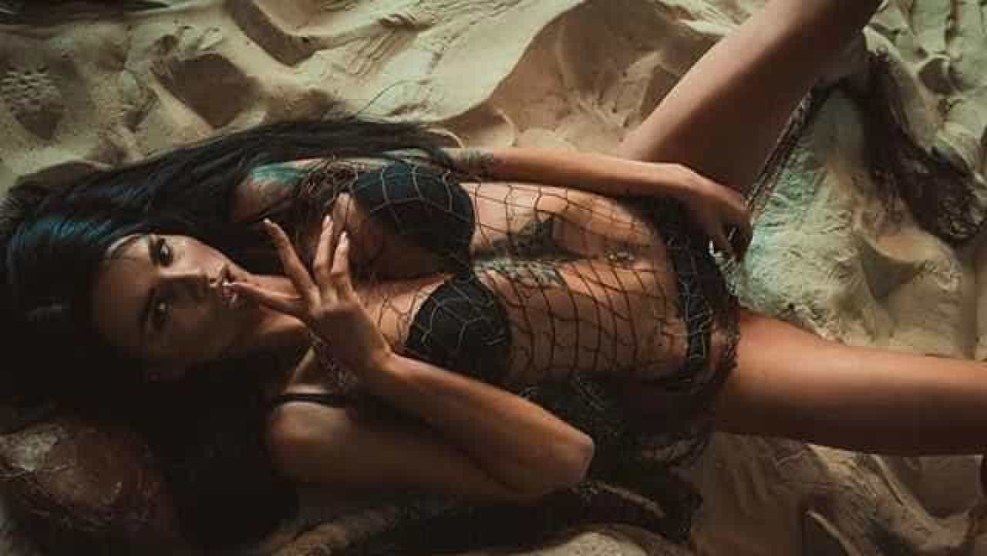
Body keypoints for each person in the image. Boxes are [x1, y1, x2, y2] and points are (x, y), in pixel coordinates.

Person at [6, 0, 974, 551]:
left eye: (163, 254)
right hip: (696, 353)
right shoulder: (298, 418)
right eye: (159, 313)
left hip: (649, 195)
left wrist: (665, 177)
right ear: (162, 368)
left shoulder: (267, 201)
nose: (190, 278)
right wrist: (376, 365)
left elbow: (469, 164)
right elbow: (557, 463)